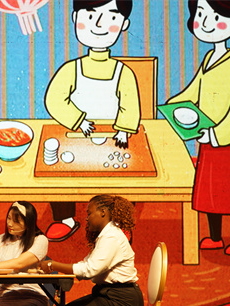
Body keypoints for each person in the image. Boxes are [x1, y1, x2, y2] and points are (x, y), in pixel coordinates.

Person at [167, 0, 230, 256]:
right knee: (211, 193)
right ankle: (215, 236)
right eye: (201, 14)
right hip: (208, 139)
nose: (206, 23)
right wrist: (171, 106)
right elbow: (194, 90)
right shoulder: (209, 58)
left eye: (216, 16)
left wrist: (217, 134)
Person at [43, 0, 139, 242]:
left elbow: (130, 105)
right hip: (77, 137)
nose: (99, 24)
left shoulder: (123, 72)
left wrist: (124, 130)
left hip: (111, 139)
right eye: (89, 14)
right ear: (75, 18)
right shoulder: (71, 69)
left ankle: (118, 221)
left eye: (111, 17)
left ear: (124, 24)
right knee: (57, 170)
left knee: (123, 176)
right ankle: (65, 218)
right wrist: (79, 120)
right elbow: (55, 100)